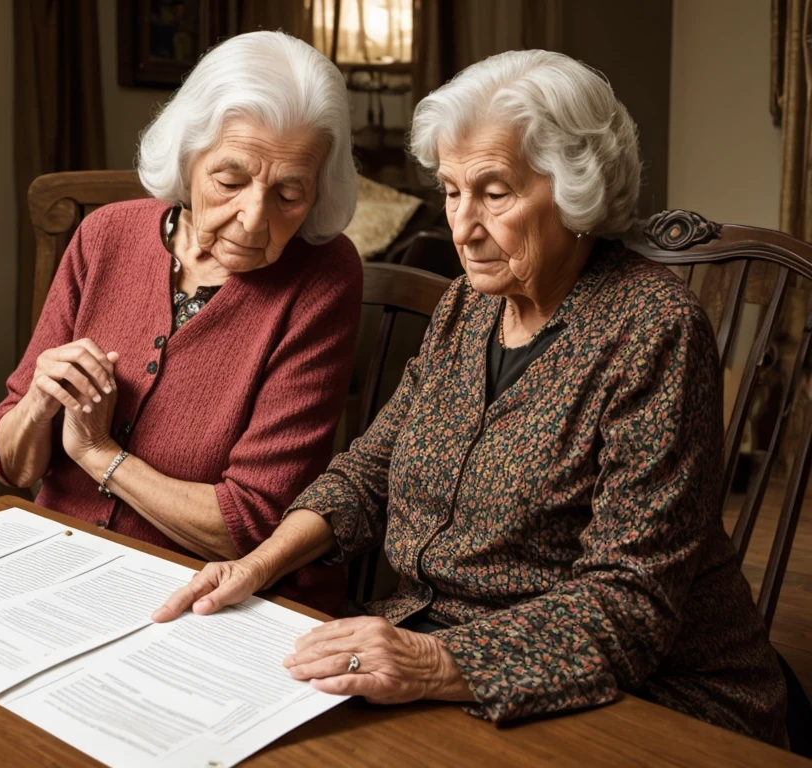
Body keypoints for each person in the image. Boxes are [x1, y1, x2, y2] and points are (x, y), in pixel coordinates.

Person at [153, 49, 789, 746]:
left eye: (494, 192)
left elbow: (629, 603)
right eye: (453, 192)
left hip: (647, 695)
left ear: (577, 190)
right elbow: (369, 471)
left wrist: (431, 661)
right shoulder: (467, 306)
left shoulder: (652, 329)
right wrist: (256, 565)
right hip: (438, 654)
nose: (462, 227)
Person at [0, 31, 362, 615]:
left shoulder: (323, 279)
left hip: (207, 601)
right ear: (189, 157)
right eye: (231, 182)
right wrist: (39, 400)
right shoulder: (105, 235)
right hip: (57, 566)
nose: (254, 219)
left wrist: (96, 453)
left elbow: (249, 524)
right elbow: (12, 465)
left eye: (290, 194)